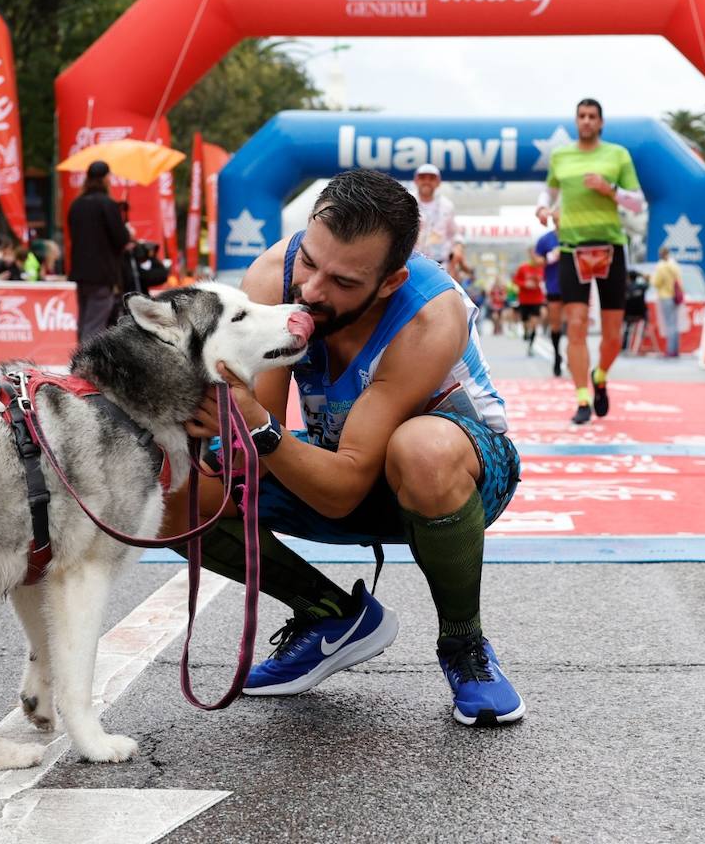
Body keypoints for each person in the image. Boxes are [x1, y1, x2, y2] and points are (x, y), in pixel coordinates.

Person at [163, 168, 525, 727]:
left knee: (419, 448)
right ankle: (329, 614)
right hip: (334, 458)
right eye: (309, 262)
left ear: (388, 282)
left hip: (453, 473)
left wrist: (254, 423)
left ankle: (464, 646)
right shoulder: (270, 278)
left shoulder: (430, 315)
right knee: (169, 482)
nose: (311, 292)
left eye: (344, 283)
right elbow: (244, 440)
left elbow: (340, 488)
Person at [541, 98, 644, 425]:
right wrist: (543, 208)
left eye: (592, 117)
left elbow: (638, 203)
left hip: (610, 248)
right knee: (577, 323)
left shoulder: (617, 155)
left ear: (600, 122)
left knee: (613, 334)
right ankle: (582, 397)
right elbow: (549, 192)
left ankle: (601, 375)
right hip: (572, 247)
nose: (586, 121)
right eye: (581, 116)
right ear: (576, 121)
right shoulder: (561, 156)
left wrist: (609, 189)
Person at [67, 160, 132, 343]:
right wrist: (127, 231)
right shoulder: (108, 204)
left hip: (80, 272)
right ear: (105, 178)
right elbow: (120, 239)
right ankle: (84, 366)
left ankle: (79, 361)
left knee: (84, 320)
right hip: (103, 274)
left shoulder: (76, 205)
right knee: (94, 324)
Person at [411, 162, 458, 267]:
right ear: (416, 180)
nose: (427, 182)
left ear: (438, 182)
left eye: (432, 178)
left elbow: (454, 234)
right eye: (423, 178)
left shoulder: (447, 205)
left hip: (439, 264)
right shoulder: (407, 202)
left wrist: (458, 248)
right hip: (411, 263)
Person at [534, 225, 565, 376]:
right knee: (556, 323)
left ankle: (573, 355)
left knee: (576, 322)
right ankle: (557, 355)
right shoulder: (545, 239)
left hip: (575, 284)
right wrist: (551, 256)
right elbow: (537, 260)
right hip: (554, 285)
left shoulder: (575, 234)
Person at [651, 247, 683, 358]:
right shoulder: (675, 266)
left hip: (665, 296)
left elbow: (656, 282)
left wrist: (650, 278)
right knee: (675, 324)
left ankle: (670, 350)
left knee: (669, 324)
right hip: (676, 297)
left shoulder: (661, 267)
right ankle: (676, 349)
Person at [513, 248, 546, 357]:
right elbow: (516, 280)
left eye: (536, 253)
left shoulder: (541, 268)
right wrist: (525, 284)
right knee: (525, 322)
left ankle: (531, 346)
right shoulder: (523, 268)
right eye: (532, 253)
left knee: (534, 323)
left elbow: (545, 280)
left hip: (537, 300)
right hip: (524, 300)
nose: (534, 256)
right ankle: (527, 331)